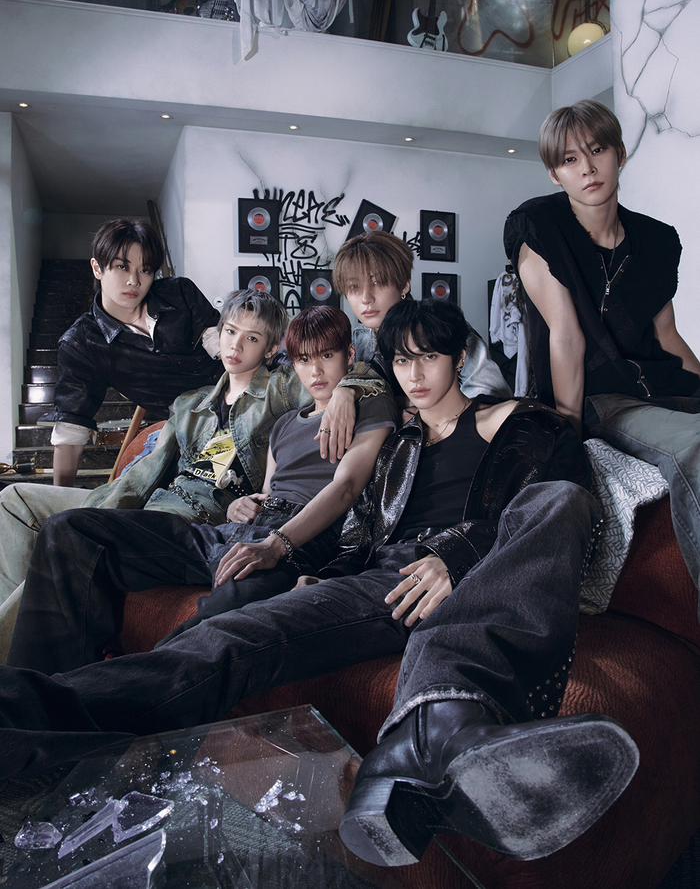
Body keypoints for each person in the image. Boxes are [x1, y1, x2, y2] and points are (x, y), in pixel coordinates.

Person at [0, 299, 637, 868]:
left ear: (460, 357)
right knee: (226, 640)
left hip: (457, 579)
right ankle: (22, 720)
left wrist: (457, 556)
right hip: (379, 584)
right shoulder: (399, 444)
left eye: (430, 358)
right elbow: (362, 531)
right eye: (402, 361)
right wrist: (319, 576)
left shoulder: (521, 422)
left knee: (562, 500)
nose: (415, 375)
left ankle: (441, 732)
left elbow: (555, 505)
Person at [8, 304, 398, 671]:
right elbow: (266, 493)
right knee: (70, 530)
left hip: (296, 542)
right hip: (233, 531)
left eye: (327, 356)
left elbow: (347, 487)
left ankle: (84, 698)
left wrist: (276, 544)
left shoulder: (369, 404)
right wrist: (237, 505)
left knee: (198, 638)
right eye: (304, 360)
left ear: (348, 355)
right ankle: (28, 695)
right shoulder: (281, 424)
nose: (316, 371)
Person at [504, 99, 700, 603]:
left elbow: (667, 336)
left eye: (597, 151)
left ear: (620, 154)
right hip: (604, 397)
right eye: (570, 159)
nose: (587, 168)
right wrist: (569, 438)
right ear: (554, 174)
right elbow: (567, 337)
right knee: (696, 444)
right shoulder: (539, 228)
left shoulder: (656, 240)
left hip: (663, 385)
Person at [44, 218, 223, 487]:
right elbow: (70, 432)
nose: (134, 281)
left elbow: (226, 349)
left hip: (239, 399)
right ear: (97, 268)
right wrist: (59, 499)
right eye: (121, 266)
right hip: (188, 428)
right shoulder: (81, 343)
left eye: (145, 270)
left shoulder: (180, 292)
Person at [332, 229, 511, 399]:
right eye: (354, 287)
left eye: (378, 282)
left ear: (404, 285)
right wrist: (345, 391)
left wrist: (417, 412)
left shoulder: (445, 329)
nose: (366, 298)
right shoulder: (358, 341)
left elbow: (491, 397)